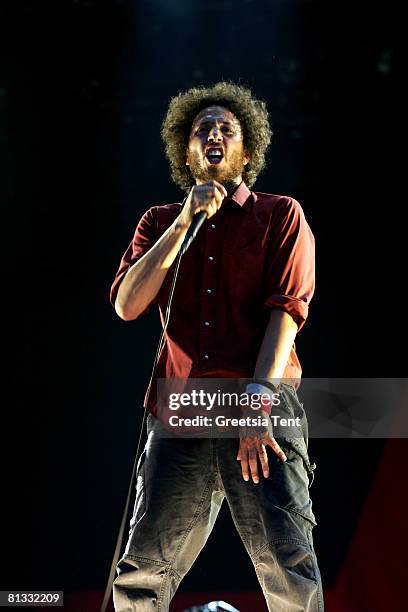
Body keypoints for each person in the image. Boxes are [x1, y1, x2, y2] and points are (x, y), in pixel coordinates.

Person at [110, 82, 324, 611]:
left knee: (287, 558)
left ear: (246, 151)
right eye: (201, 128)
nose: (213, 134)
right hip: (181, 405)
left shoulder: (279, 214)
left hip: (261, 399)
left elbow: (286, 314)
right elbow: (127, 305)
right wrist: (185, 220)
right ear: (185, 152)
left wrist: (257, 406)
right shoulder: (160, 222)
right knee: (143, 567)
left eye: (226, 128)